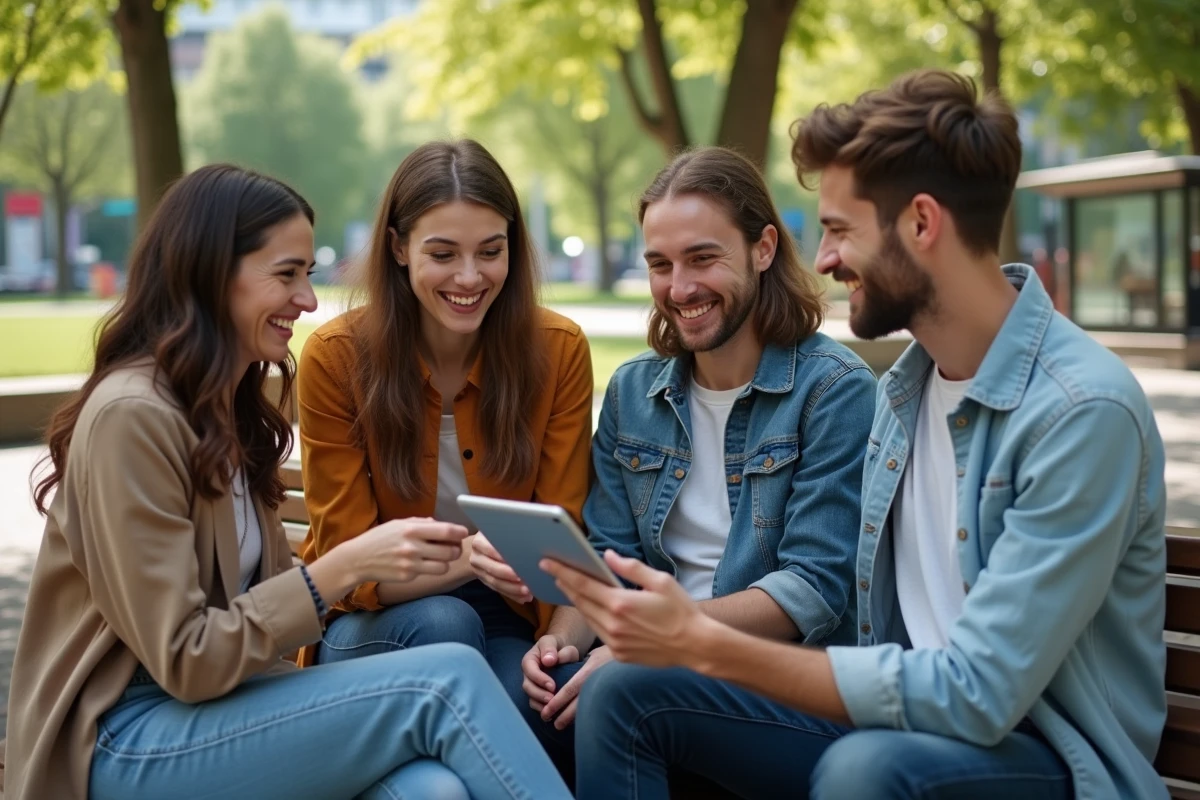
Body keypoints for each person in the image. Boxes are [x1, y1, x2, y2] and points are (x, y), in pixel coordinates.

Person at [545, 69, 1168, 800]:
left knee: (864, 771)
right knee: (621, 694)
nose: (827, 259)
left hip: (1044, 759)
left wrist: (700, 641)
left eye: (840, 230)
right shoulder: (908, 390)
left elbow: (979, 695)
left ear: (922, 224)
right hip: (893, 726)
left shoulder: (1079, 412)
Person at [0, 164, 572, 800]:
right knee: (446, 678)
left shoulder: (226, 407)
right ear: (214, 275)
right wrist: (344, 567)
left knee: (432, 790)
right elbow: (188, 660)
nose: (308, 299)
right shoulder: (132, 417)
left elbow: (261, 611)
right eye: (288, 273)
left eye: (307, 273)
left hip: (227, 705)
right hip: (122, 734)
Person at [519, 147, 876, 780]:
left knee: (615, 694)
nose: (679, 289)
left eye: (703, 258)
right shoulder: (634, 393)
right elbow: (607, 559)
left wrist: (664, 640)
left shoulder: (832, 388)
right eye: (660, 264)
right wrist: (565, 640)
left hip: (791, 691)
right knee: (541, 699)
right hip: (653, 666)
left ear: (763, 248)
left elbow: (813, 590)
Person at [294, 139, 593, 719]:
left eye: (490, 251)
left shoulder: (557, 351)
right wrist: (471, 556)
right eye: (443, 253)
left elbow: (566, 528)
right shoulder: (336, 359)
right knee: (445, 623)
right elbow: (345, 559)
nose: (469, 276)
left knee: (548, 705)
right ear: (399, 248)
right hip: (370, 621)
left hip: (509, 614)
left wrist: (558, 642)